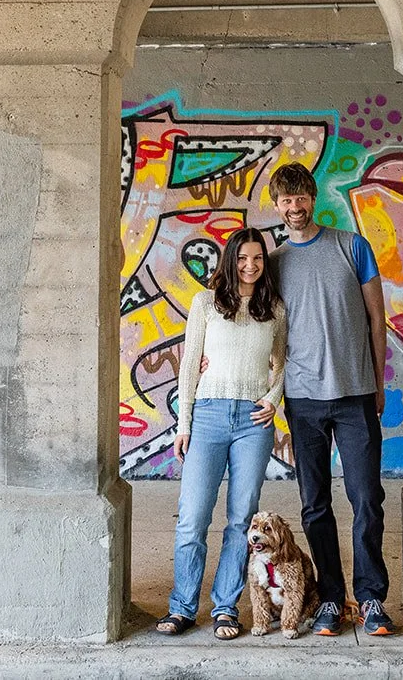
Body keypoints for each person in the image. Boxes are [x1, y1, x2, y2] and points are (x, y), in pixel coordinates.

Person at [267, 161, 394, 638]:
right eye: (286, 201)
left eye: (301, 199)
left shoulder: (351, 246)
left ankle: (371, 598)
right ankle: (331, 598)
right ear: (277, 206)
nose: (295, 207)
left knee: (367, 498)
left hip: (356, 393)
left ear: (312, 200)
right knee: (314, 504)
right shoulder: (276, 263)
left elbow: (376, 320)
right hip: (303, 400)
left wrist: (379, 382)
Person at [157, 228, 287, 640]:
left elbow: (281, 362)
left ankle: (226, 609)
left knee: (241, 522)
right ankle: (182, 607)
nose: (250, 265)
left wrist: (273, 399)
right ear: (230, 260)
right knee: (192, 518)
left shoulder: (274, 309)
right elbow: (189, 362)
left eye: (258, 259)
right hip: (209, 416)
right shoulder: (206, 304)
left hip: (253, 423)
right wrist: (185, 424)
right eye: (243, 258)